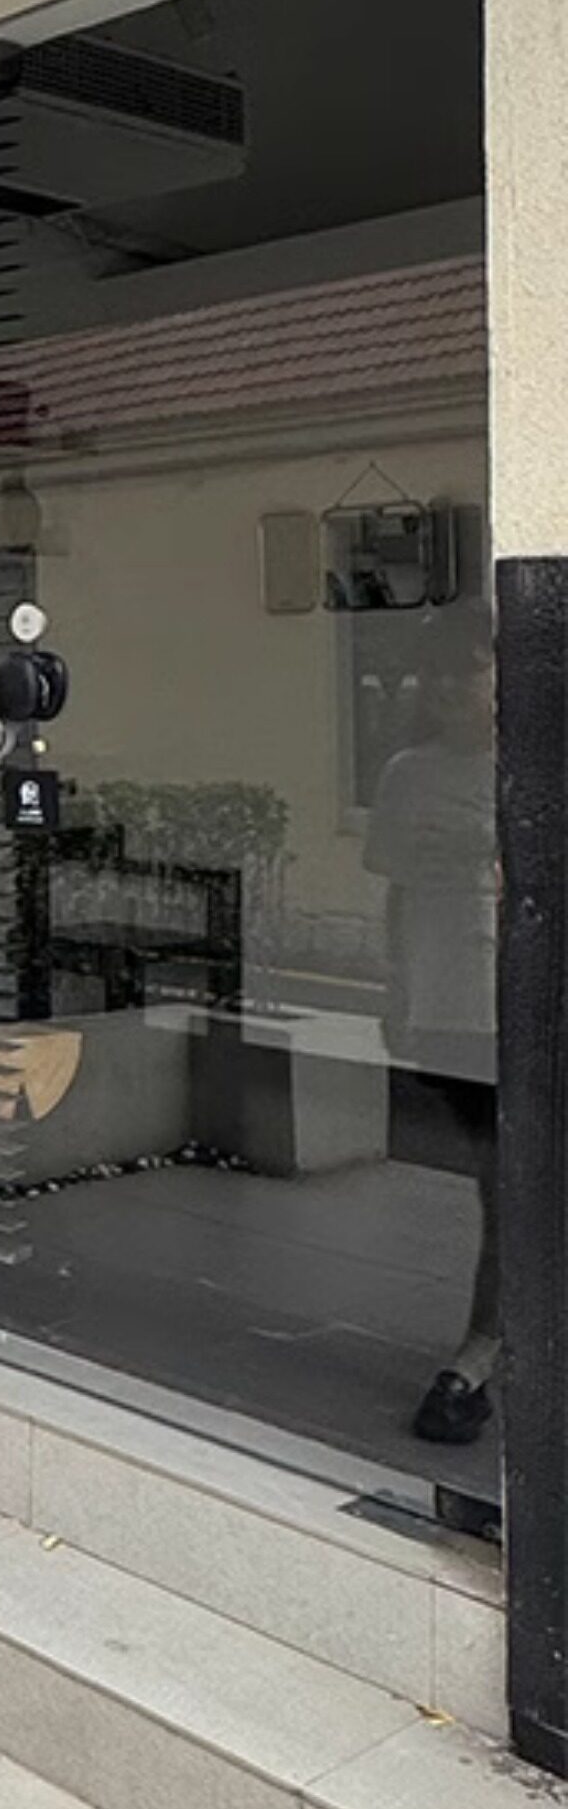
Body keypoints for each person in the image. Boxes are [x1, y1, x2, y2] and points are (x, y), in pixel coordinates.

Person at [365, 614, 500, 1444]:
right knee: (502, 1183)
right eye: (438, 671)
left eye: (469, 669)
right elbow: (398, 893)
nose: (449, 686)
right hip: (451, 1011)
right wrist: (397, 989)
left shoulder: (533, 767)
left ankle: (475, 1360)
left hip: (524, 1007)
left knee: (513, 1184)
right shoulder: (406, 774)